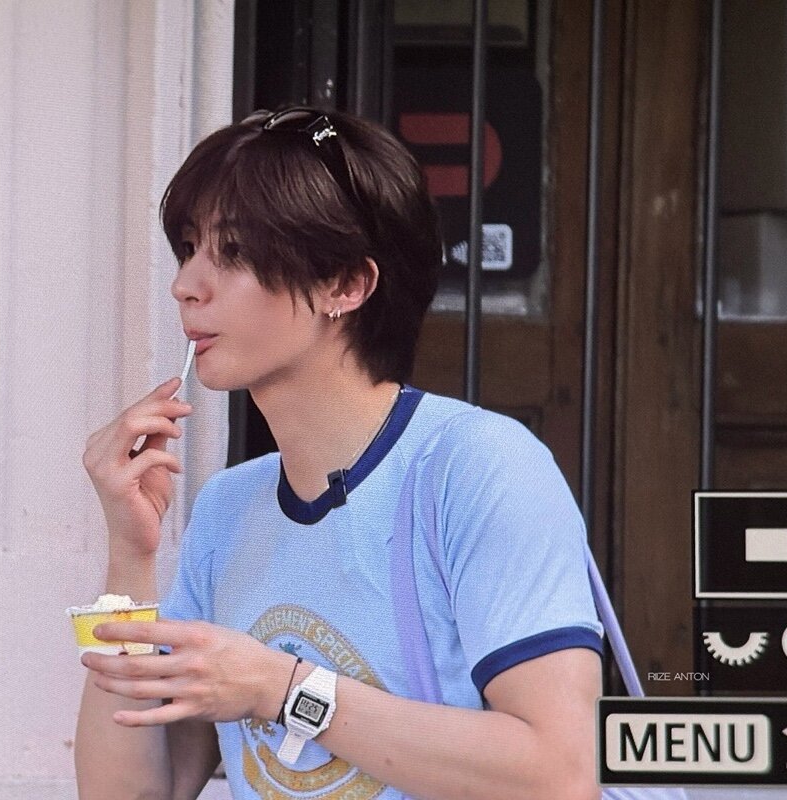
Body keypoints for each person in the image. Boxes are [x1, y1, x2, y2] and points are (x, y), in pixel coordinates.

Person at [76, 107, 605, 800]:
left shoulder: (478, 467)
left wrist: (281, 688)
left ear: (347, 285)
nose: (187, 284)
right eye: (188, 247)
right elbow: (130, 794)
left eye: (232, 252)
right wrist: (129, 557)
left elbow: (558, 773)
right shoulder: (228, 509)